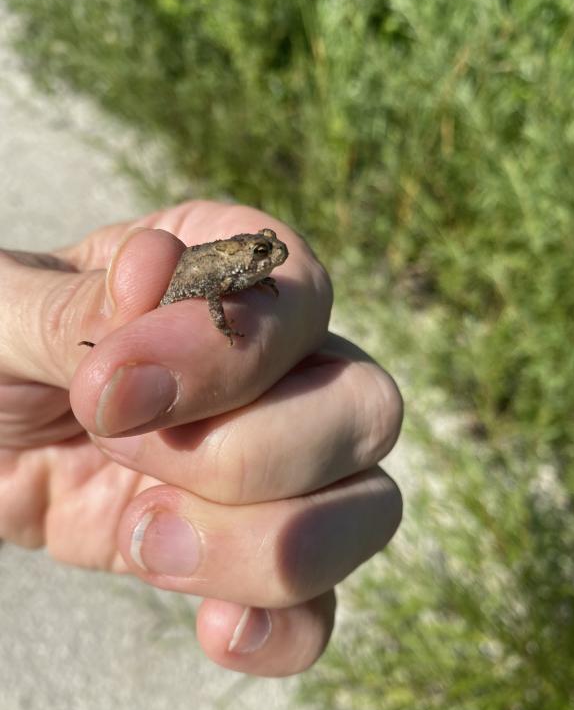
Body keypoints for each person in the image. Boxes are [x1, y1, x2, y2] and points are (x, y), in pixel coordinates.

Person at [0, 199, 403, 677]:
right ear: (242, 255)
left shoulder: (241, 271)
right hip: (165, 299)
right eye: (260, 253)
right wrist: (223, 328)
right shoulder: (225, 271)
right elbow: (212, 296)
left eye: (264, 252)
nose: (269, 257)